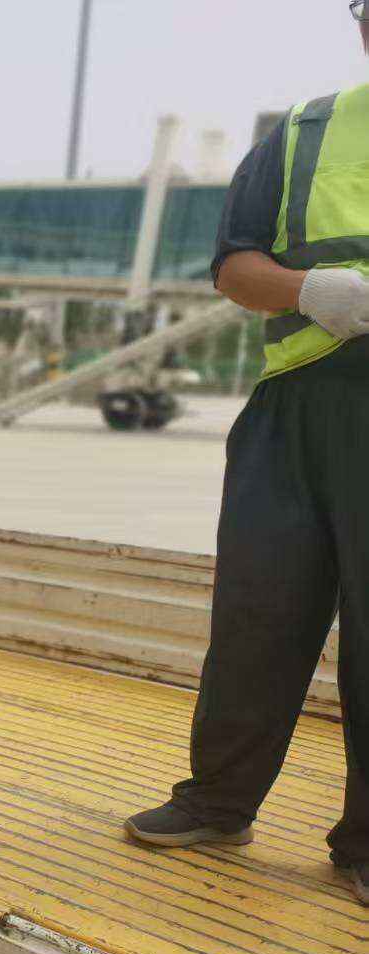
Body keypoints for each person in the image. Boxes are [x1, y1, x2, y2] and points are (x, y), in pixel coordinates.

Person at [125, 4, 369, 905]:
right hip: (293, 405)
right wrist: (307, 289)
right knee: (258, 611)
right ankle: (219, 801)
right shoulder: (303, 131)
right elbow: (234, 265)